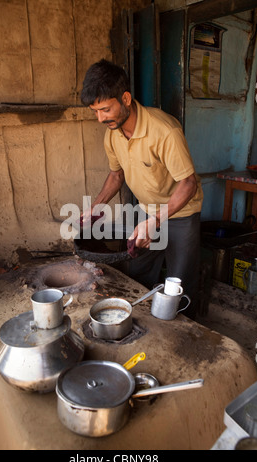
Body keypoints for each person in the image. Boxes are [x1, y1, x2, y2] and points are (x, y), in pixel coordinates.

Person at [80, 59, 203, 319]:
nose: (100, 118)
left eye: (105, 109)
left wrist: (157, 220)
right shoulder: (112, 134)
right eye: (95, 111)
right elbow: (116, 175)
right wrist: (96, 208)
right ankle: (146, 327)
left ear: (125, 98)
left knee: (178, 284)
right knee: (137, 274)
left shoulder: (165, 131)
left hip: (180, 216)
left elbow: (189, 183)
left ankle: (189, 336)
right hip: (147, 215)